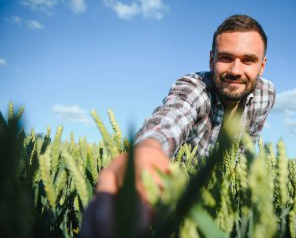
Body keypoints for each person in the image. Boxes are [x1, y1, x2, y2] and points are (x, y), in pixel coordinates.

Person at [81, 14, 276, 237]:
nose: (235, 70)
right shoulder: (195, 87)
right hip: (174, 200)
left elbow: (246, 147)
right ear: (211, 60)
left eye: (248, 60)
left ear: (262, 65)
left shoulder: (266, 95)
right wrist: (148, 151)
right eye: (226, 57)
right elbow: (173, 116)